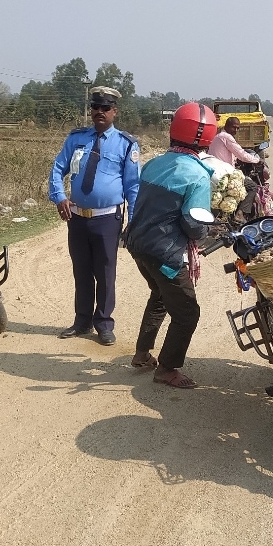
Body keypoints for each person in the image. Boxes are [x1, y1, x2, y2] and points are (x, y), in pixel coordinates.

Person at [123, 102, 216, 388]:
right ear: (207, 139)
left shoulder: (153, 163)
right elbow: (193, 225)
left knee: (160, 295)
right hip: (165, 252)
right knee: (188, 312)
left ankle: (142, 353)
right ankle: (167, 368)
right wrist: (209, 231)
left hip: (138, 244)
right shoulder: (199, 175)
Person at [48, 86, 140, 346]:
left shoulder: (126, 144)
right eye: (95, 107)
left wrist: (133, 220)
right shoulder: (76, 139)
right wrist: (59, 196)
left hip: (107, 218)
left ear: (115, 112)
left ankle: (104, 323)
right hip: (76, 217)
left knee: (106, 272)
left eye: (105, 108)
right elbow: (57, 169)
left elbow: (133, 186)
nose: (99, 112)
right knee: (82, 271)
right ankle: (82, 320)